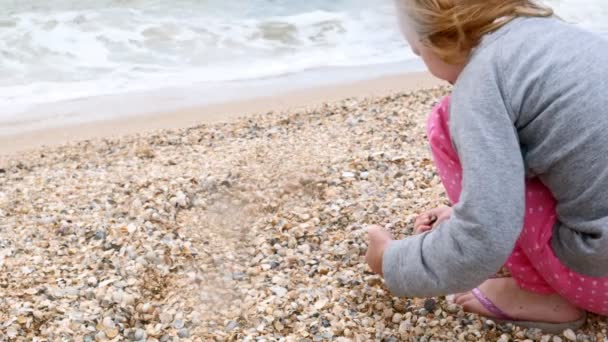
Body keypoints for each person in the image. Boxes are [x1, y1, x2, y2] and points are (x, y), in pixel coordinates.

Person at [365, 0, 608, 332]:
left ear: (441, 39)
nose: (417, 58)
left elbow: (484, 241)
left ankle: (537, 294)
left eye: (418, 51)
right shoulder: (569, 39)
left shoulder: (484, 78)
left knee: (446, 119)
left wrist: (392, 260)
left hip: (600, 279)